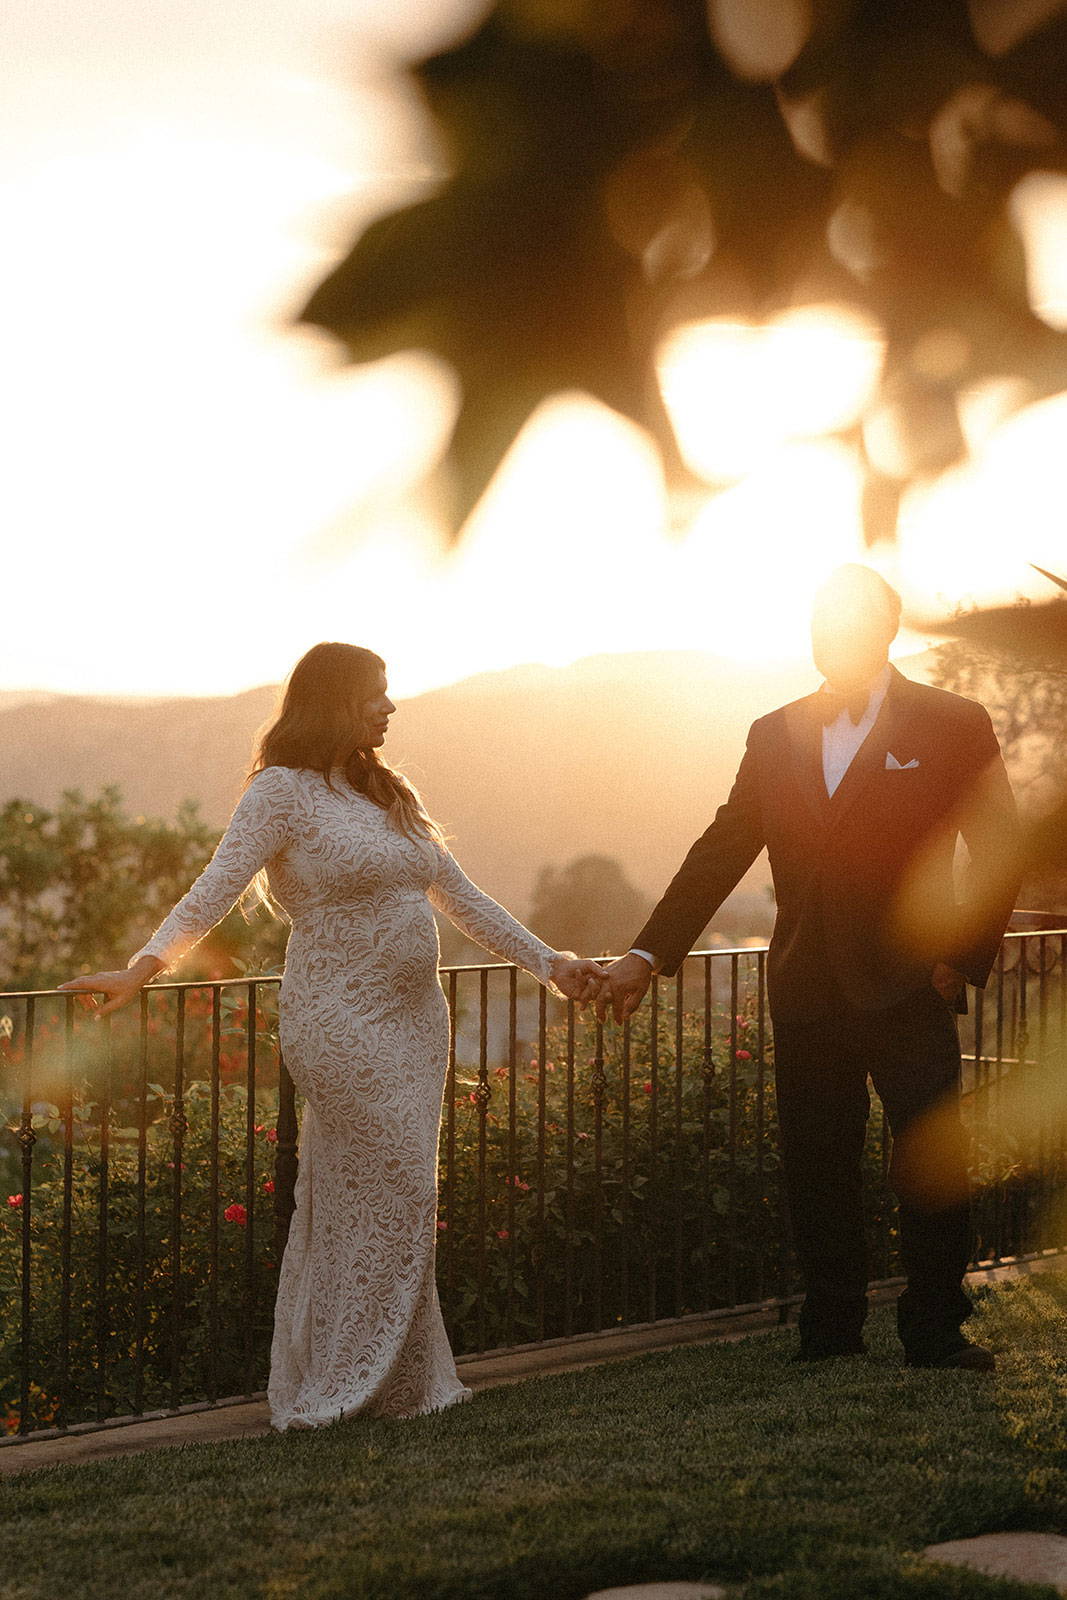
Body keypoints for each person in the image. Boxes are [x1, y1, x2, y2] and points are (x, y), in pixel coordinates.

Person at [59, 642, 607, 1428]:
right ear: (333, 702)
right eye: (375, 696)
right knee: (401, 1190)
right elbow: (213, 889)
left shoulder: (388, 792)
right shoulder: (279, 793)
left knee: (376, 1198)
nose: (389, 708)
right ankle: (346, 1382)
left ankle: (402, 1384)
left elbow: (467, 900)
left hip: (416, 1024)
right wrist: (139, 971)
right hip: (336, 1021)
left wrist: (555, 965)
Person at [597, 565, 1021, 1370]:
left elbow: (997, 845)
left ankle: (934, 1328)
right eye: (818, 620)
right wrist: (646, 955)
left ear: (885, 630)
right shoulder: (773, 729)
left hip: (909, 983)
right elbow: (721, 848)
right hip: (805, 988)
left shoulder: (952, 721)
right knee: (816, 1170)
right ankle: (830, 1331)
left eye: (844, 621)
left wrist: (958, 958)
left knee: (931, 1166)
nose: (825, 635)